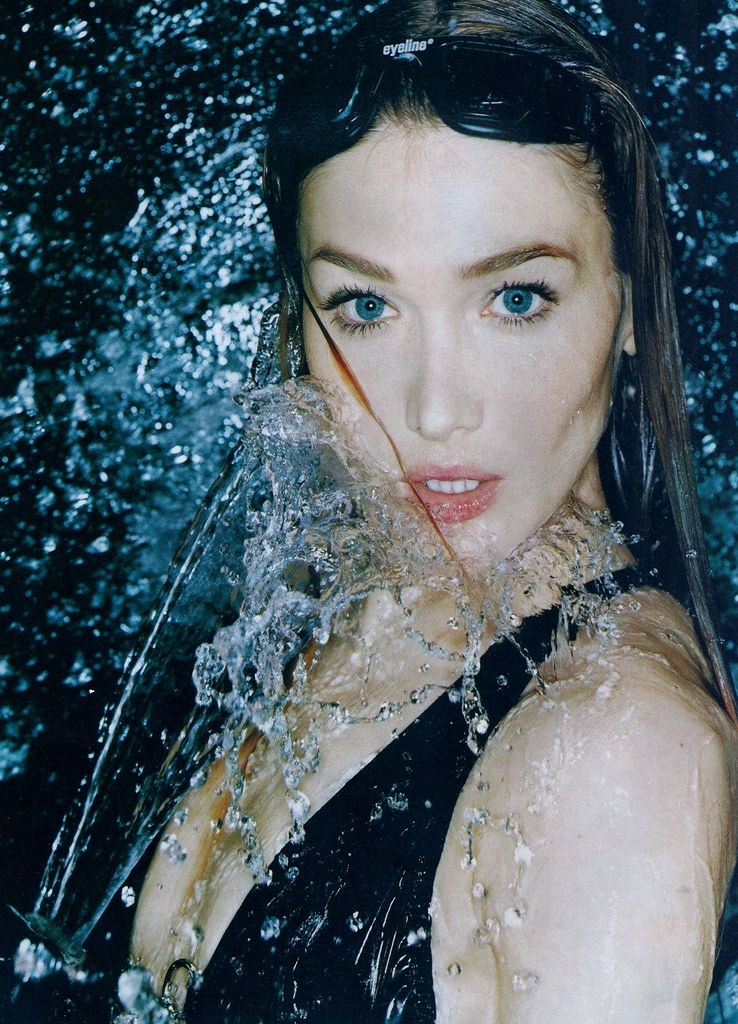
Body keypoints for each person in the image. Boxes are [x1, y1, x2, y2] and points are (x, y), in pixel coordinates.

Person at [43, 0, 738, 1021]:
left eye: (515, 298)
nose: (436, 409)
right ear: (299, 322)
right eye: (366, 307)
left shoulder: (614, 748)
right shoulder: (299, 627)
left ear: (627, 308)